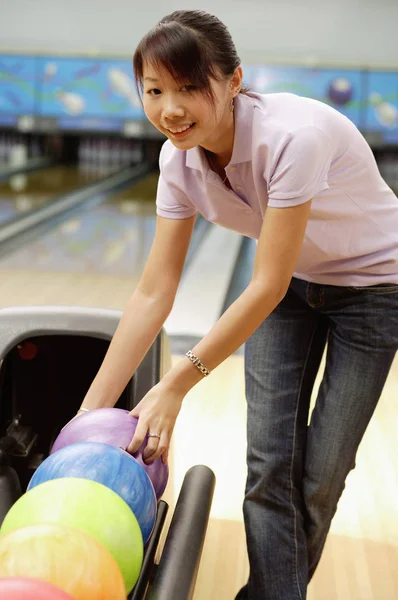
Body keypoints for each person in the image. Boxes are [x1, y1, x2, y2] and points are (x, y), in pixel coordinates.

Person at [75, 10, 398, 600]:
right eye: (154, 90)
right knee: (268, 466)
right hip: (293, 288)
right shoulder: (176, 162)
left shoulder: (291, 140)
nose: (170, 107)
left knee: (321, 479)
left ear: (233, 82)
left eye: (190, 87)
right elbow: (153, 292)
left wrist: (177, 382)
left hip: (376, 291)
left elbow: (265, 283)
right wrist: (85, 418)